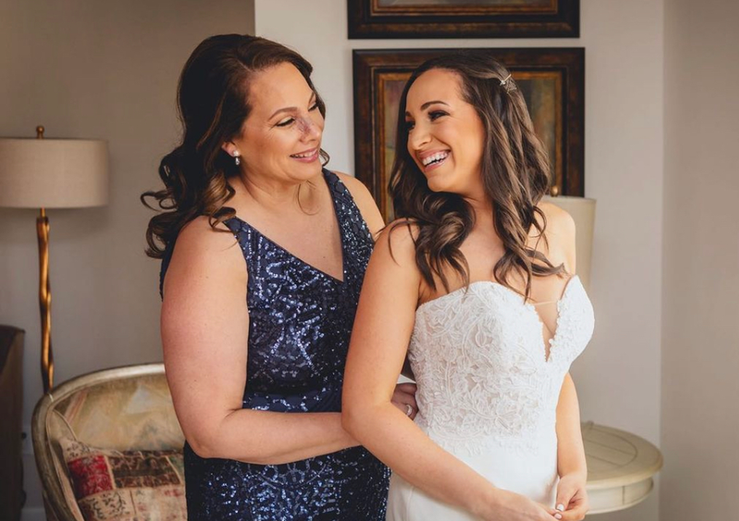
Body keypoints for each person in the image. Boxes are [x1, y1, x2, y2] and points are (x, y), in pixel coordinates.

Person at [141, 34, 417, 520]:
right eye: (287, 121)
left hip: (368, 486)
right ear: (229, 138)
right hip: (263, 501)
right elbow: (211, 430)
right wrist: (367, 422)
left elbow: (402, 324)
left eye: (313, 108)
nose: (313, 131)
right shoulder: (213, 244)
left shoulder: (352, 196)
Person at [341, 52, 594, 521]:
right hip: (447, 499)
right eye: (411, 123)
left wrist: (574, 467)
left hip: (541, 497)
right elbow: (365, 409)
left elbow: (549, 371)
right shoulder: (409, 245)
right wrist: (490, 503)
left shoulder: (558, 227)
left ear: (493, 116)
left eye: (436, 114)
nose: (417, 139)